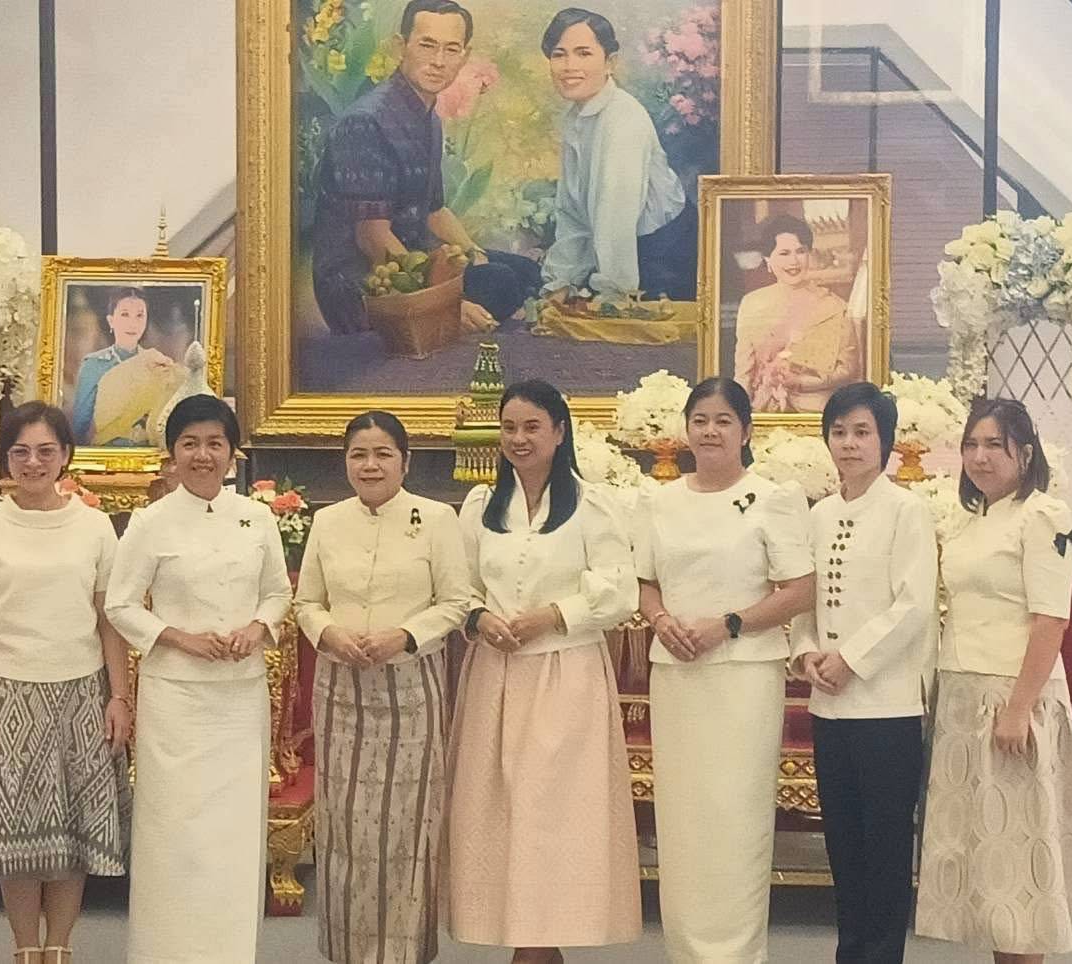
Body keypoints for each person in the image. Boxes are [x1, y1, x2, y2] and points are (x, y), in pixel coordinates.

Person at [448, 379, 641, 963]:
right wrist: (480, 618)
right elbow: (460, 587)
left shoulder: (592, 504)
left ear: (560, 432)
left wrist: (553, 616)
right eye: (509, 427)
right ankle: (527, 945)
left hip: (566, 677)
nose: (519, 439)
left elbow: (621, 592)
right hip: (496, 676)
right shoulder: (482, 507)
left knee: (551, 815)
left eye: (532, 427)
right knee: (501, 814)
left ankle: (539, 948)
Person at [105, 394, 292, 964]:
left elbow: (278, 593)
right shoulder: (151, 522)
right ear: (173, 453)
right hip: (176, 701)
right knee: (174, 833)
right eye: (190, 443)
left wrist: (257, 629)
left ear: (232, 453)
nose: (202, 455)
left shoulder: (257, 517)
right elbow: (120, 605)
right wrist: (179, 638)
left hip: (239, 700)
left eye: (214, 443)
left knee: (233, 835)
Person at [634, 376, 815, 963]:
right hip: (678, 674)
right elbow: (645, 582)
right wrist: (661, 620)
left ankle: (737, 954)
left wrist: (729, 624)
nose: (710, 431)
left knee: (736, 819)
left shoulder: (773, 498)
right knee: (683, 821)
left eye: (723, 420)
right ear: (686, 429)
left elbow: (800, 590)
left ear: (746, 430)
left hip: (743, 676)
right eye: (700, 420)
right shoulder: (658, 501)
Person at [0, 401, 132, 964]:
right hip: (6, 693)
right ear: (5, 459)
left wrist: (120, 697)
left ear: (66, 456)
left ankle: (60, 947)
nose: (33, 462)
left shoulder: (94, 526)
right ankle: (25, 948)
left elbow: (109, 620)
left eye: (45, 451)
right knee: (18, 835)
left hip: (81, 693)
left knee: (71, 831)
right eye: (20, 452)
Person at [295, 410, 469, 964]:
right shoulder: (328, 521)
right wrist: (329, 633)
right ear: (346, 462)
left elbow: (456, 603)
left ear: (405, 461)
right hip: (341, 689)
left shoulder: (437, 518)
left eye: (382, 454)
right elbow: (307, 602)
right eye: (358, 455)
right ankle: (347, 951)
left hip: (410, 688)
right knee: (346, 827)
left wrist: (404, 636)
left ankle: (402, 954)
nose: (370, 465)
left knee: (406, 827)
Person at [916, 398, 1072, 962]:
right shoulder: (970, 519)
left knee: (1020, 871)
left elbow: (1052, 619)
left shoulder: (1045, 516)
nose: (980, 457)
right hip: (963, 697)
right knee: (987, 869)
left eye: (994, 445)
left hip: (1014, 699)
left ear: (1025, 453)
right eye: (971, 445)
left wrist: (1018, 708)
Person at [790, 382, 938, 963]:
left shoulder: (907, 511)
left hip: (887, 708)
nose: (849, 443)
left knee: (884, 849)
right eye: (839, 432)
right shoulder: (819, 514)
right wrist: (806, 653)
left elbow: (914, 605)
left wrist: (851, 659)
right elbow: (804, 596)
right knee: (844, 846)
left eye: (861, 432)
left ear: (885, 441)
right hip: (829, 707)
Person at [311, 0, 542, 335]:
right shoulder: (365, 122)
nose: (439, 61)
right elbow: (372, 237)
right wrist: (441, 303)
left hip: (416, 259)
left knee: (523, 271)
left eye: (451, 49)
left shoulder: (428, 117)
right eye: (427, 45)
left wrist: (475, 254)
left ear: (464, 55)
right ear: (400, 46)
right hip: (362, 282)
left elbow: (435, 210)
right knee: (501, 282)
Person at [538, 8, 689, 302]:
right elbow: (573, 213)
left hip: (663, 256)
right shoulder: (575, 118)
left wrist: (613, 295)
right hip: (621, 251)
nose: (569, 66)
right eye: (559, 55)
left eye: (584, 53)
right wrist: (561, 281)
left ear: (610, 62)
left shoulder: (623, 120)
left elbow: (615, 219)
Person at [734, 214, 862, 414]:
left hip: (817, 411)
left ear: (809, 254)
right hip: (763, 411)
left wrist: (800, 382)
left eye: (800, 251)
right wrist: (740, 414)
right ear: (768, 260)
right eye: (784, 253)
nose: (794, 261)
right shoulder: (752, 303)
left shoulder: (833, 306)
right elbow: (743, 373)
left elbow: (848, 369)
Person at [71, 287, 182, 446]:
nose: (133, 323)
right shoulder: (93, 365)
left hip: (149, 454)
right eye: (125, 315)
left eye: (139, 315)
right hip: (105, 454)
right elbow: (80, 427)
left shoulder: (158, 363)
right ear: (111, 321)